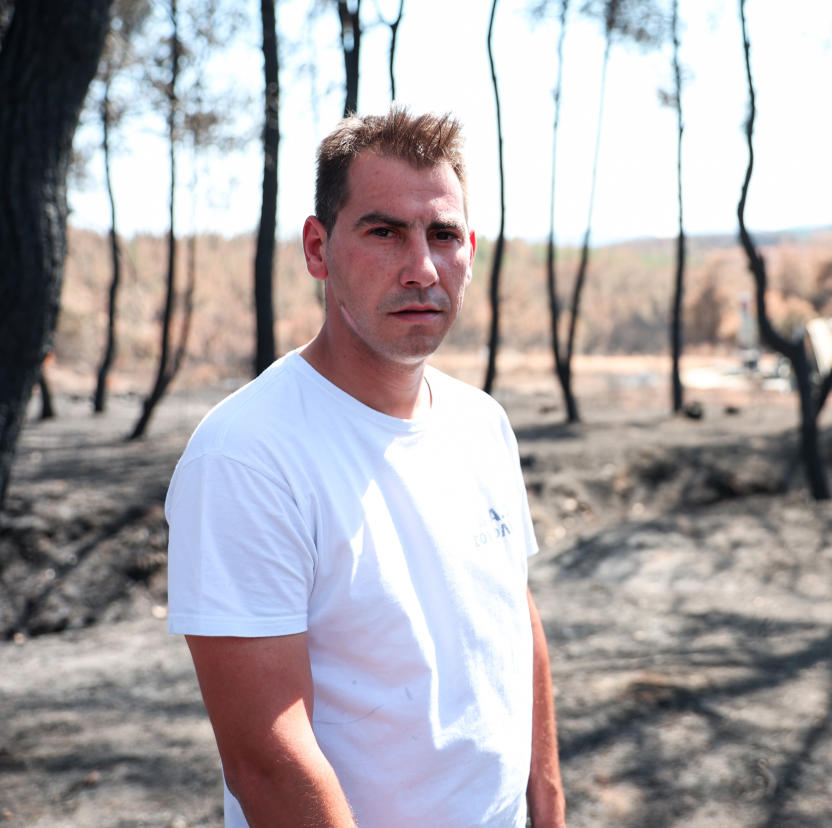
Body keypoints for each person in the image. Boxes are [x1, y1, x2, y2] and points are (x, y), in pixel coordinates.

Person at [164, 108, 565, 828]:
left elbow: (514, 616)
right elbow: (267, 759)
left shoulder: (483, 425)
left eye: (443, 235)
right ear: (319, 250)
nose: (422, 268)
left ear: (470, 250)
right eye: (384, 232)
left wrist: (549, 804)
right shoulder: (248, 456)